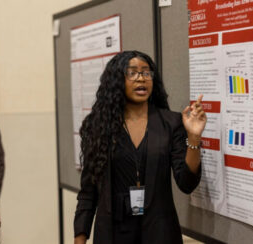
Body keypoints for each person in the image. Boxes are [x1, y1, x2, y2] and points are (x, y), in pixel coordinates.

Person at [74, 50, 207, 244]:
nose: (141, 79)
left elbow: (187, 183)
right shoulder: (99, 126)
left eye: (146, 73)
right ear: (117, 80)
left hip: (159, 232)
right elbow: (88, 191)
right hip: (113, 232)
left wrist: (194, 137)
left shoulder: (171, 123)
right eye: (132, 73)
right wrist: (80, 238)